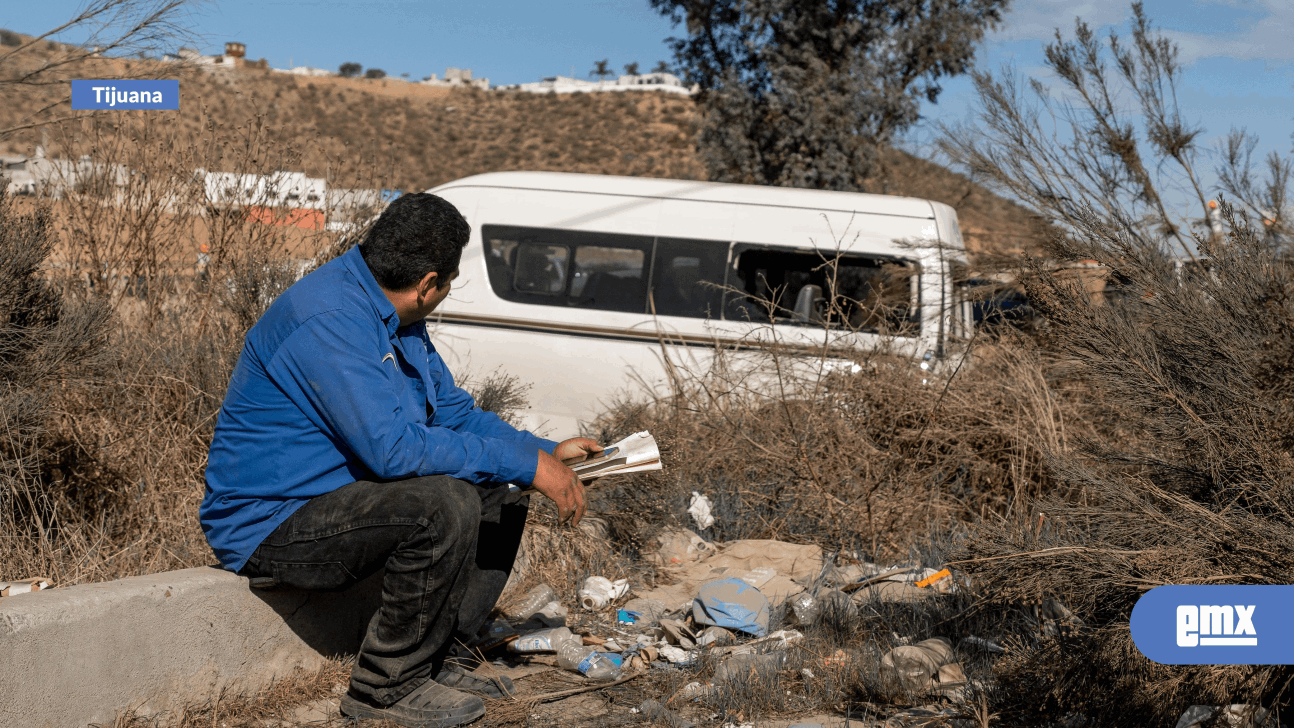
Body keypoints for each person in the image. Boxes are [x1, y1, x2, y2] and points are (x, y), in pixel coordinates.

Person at [200, 192, 602, 727]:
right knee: (446, 501)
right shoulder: (330, 319)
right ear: (428, 284)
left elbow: (453, 413)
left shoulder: (393, 311)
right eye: (450, 282)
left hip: (337, 499)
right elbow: (394, 452)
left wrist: (539, 454)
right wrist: (526, 463)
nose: (447, 293)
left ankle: (440, 657)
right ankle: (385, 688)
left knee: (499, 486)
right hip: (271, 521)